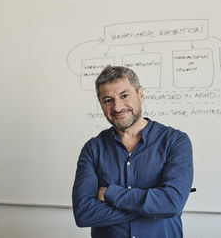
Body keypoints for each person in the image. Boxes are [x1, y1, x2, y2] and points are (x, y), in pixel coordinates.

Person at [72, 65, 193, 238]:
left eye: (124, 95)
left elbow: (172, 203)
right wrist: (154, 207)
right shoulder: (92, 149)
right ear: (100, 104)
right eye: (108, 100)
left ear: (140, 94)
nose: (118, 107)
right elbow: (84, 214)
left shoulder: (175, 141)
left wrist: (109, 193)